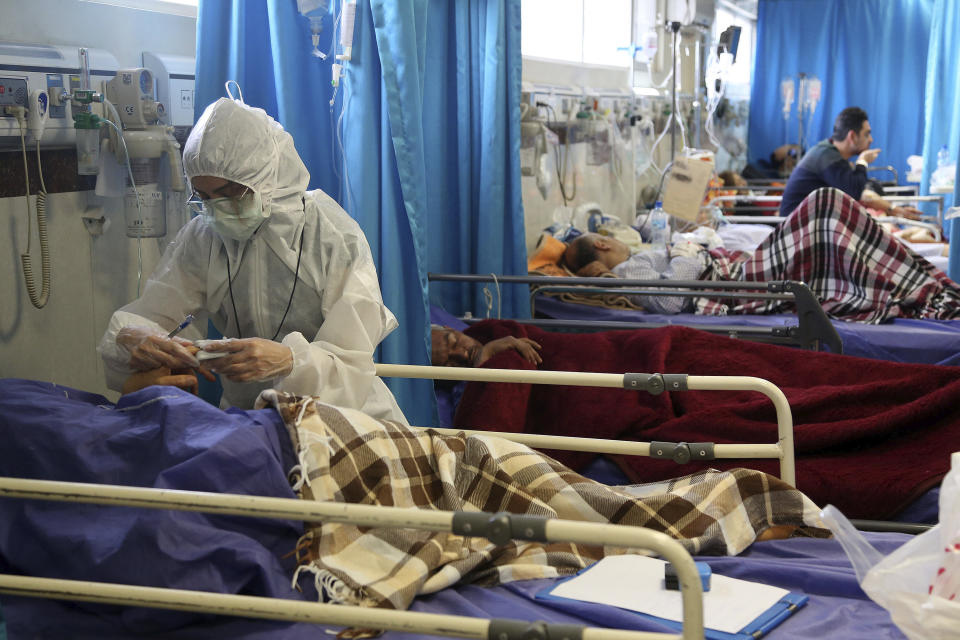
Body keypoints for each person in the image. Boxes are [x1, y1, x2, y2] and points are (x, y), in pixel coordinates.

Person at [98, 97, 406, 423]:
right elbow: (155, 313)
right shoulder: (203, 237)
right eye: (205, 198)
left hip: (342, 416)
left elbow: (352, 363)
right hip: (248, 423)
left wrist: (290, 361)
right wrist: (134, 336)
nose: (217, 210)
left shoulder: (330, 235)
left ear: (266, 179)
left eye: (230, 194)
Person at [779, 107, 920, 218]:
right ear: (852, 136)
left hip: (809, 224)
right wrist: (863, 161)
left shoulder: (831, 154)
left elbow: (863, 194)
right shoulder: (826, 156)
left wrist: (893, 209)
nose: (870, 140)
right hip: (796, 229)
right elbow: (855, 191)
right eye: (866, 134)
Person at [561, 232, 706, 313]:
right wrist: (683, 254)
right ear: (602, 244)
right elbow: (668, 301)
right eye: (608, 237)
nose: (616, 239)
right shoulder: (627, 270)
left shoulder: (631, 264)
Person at [431, 324, 542, 367]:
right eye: (449, 364)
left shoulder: (489, 330)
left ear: (450, 328)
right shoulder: (458, 393)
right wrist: (487, 352)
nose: (463, 355)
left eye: (454, 343)